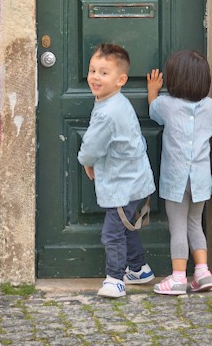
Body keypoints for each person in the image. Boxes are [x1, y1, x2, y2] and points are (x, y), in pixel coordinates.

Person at [78, 43, 156, 298]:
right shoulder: (115, 102)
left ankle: (115, 279)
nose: (95, 77)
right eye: (92, 70)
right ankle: (138, 269)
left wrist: (86, 161)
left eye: (103, 72)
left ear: (120, 79)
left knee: (112, 233)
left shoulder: (107, 113)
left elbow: (90, 147)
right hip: (134, 179)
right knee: (125, 226)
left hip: (124, 183)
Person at [147, 50, 212, 295]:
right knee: (194, 224)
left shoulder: (167, 104)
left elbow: (153, 112)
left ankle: (178, 277)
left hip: (177, 180)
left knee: (177, 227)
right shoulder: (209, 107)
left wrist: (153, 91)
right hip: (200, 180)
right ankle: (202, 272)